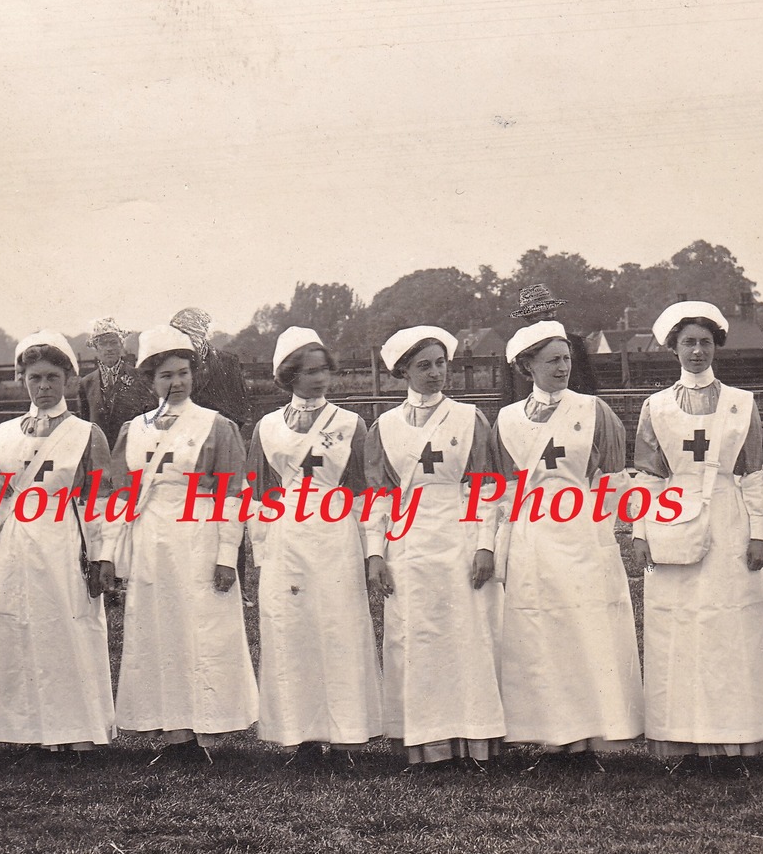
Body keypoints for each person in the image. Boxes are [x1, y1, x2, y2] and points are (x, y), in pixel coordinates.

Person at [628, 302, 763, 772]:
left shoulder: (742, 402)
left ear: (717, 348)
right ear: (673, 348)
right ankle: (683, 740)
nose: (697, 351)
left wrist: (759, 532)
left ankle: (735, 742)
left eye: (705, 343)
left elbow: (753, 472)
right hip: (673, 518)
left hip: (730, 516)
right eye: (688, 342)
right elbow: (648, 476)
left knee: (731, 628)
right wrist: (640, 530)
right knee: (679, 629)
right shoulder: (655, 406)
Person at [490, 320, 642, 767]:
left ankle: (593, 736)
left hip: (582, 534)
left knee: (586, 632)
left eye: (567, 358)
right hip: (533, 537)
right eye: (552, 359)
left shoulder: (594, 410)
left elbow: (612, 478)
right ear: (526, 366)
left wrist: (601, 527)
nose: (562, 367)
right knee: (542, 634)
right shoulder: (507, 419)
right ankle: (553, 736)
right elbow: (503, 488)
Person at [104, 325, 258, 761]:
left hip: (200, 536)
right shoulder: (134, 430)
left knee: (203, 630)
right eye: (166, 376)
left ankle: (206, 731)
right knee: (159, 633)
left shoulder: (217, 426)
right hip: (152, 541)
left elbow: (233, 495)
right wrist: (112, 554)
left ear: (194, 375)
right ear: (150, 381)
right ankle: (174, 736)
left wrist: (227, 555)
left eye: (184, 373)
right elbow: (119, 495)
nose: (176, 383)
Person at [364, 325, 505, 769]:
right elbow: (379, 496)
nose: (435, 373)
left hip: (458, 535)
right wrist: (374, 552)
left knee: (467, 635)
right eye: (423, 365)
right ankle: (425, 743)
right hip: (406, 542)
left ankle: (474, 740)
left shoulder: (469, 419)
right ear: (402, 370)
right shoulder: (383, 427)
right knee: (415, 637)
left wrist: (485, 544)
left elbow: (487, 488)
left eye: (441, 363)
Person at [245, 327, 382, 765]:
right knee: (293, 631)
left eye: (324, 369)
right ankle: (301, 735)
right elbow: (261, 495)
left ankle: (345, 735)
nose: (319, 378)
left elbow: (363, 490)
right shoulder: (266, 428)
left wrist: (368, 548)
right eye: (309, 371)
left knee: (338, 627)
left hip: (335, 530)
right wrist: (262, 554)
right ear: (288, 375)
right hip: (287, 534)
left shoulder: (350, 425)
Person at [0, 331, 117, 753]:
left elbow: (100, 502)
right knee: (18, 628)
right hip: (17, 542)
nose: (43, 387)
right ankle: (30, 732)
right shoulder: (4, 434)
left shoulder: (86, 433)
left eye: (52, 377)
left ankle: (78, 734)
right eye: (35, 377)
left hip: (62, 538)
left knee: (68, 628)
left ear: (69, 380)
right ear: (22, 379)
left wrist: (102, 555)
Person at [497, 284, 599, 404]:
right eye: (544, 313)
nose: (551, 316)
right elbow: (508, 391)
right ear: (528, 317)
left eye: (552, 311)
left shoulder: (574, 342)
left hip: (571, 409)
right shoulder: (513, 347)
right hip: (528, 413)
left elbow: (589, 383)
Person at [170, 307, 252, 428]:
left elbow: (240, 408)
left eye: (184, 333)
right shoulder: (167, 365)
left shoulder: (228, 363)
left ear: (200, 332)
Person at [79, 316, 151, 445]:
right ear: (96, 348)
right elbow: (85, 426)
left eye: (113, 342)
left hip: (132, 451)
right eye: (103, 343)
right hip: (100, 455)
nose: (109, 348)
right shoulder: (86, 383)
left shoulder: (139, 377)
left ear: (121, 344)